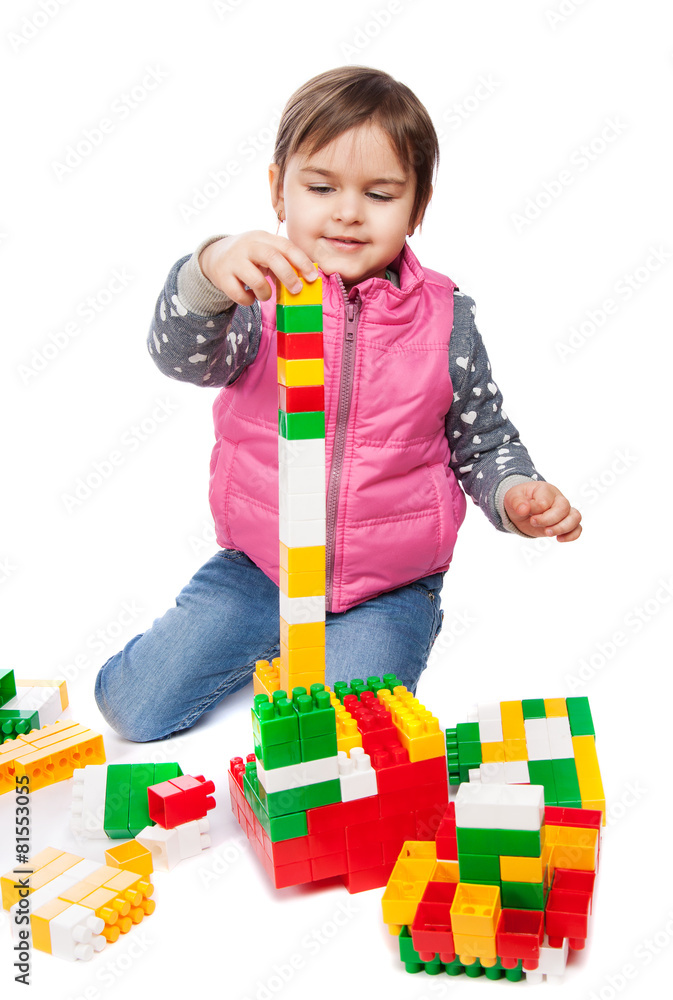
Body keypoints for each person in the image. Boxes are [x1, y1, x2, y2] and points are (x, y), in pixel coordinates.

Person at [94, 66, 581, 743]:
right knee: (132, 708)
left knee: (344, 747)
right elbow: (181, 358)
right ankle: (263, 646)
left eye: (379, 194)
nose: (348, 212)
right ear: (278, 190)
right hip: (260, 569)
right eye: (321, 188)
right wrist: (207, 271)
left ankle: (357, 642)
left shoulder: (448, 319)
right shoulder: (255, 296)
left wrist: (515, 491)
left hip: (387, 588)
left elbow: (484, 440)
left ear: (417, 208)